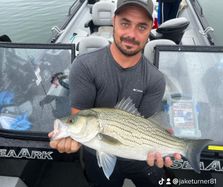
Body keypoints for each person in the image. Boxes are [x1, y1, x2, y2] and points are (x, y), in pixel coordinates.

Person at [49, 0, 181, 186]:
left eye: (141, 26)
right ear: (114, 21)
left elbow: (147, 126)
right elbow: (78, 116)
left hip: (140, 155)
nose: (131, 35)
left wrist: (163, 144)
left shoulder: (155, 79)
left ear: (150, 29)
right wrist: (70, 136)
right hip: (96, 154)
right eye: (125, 23)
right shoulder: (85, 66)